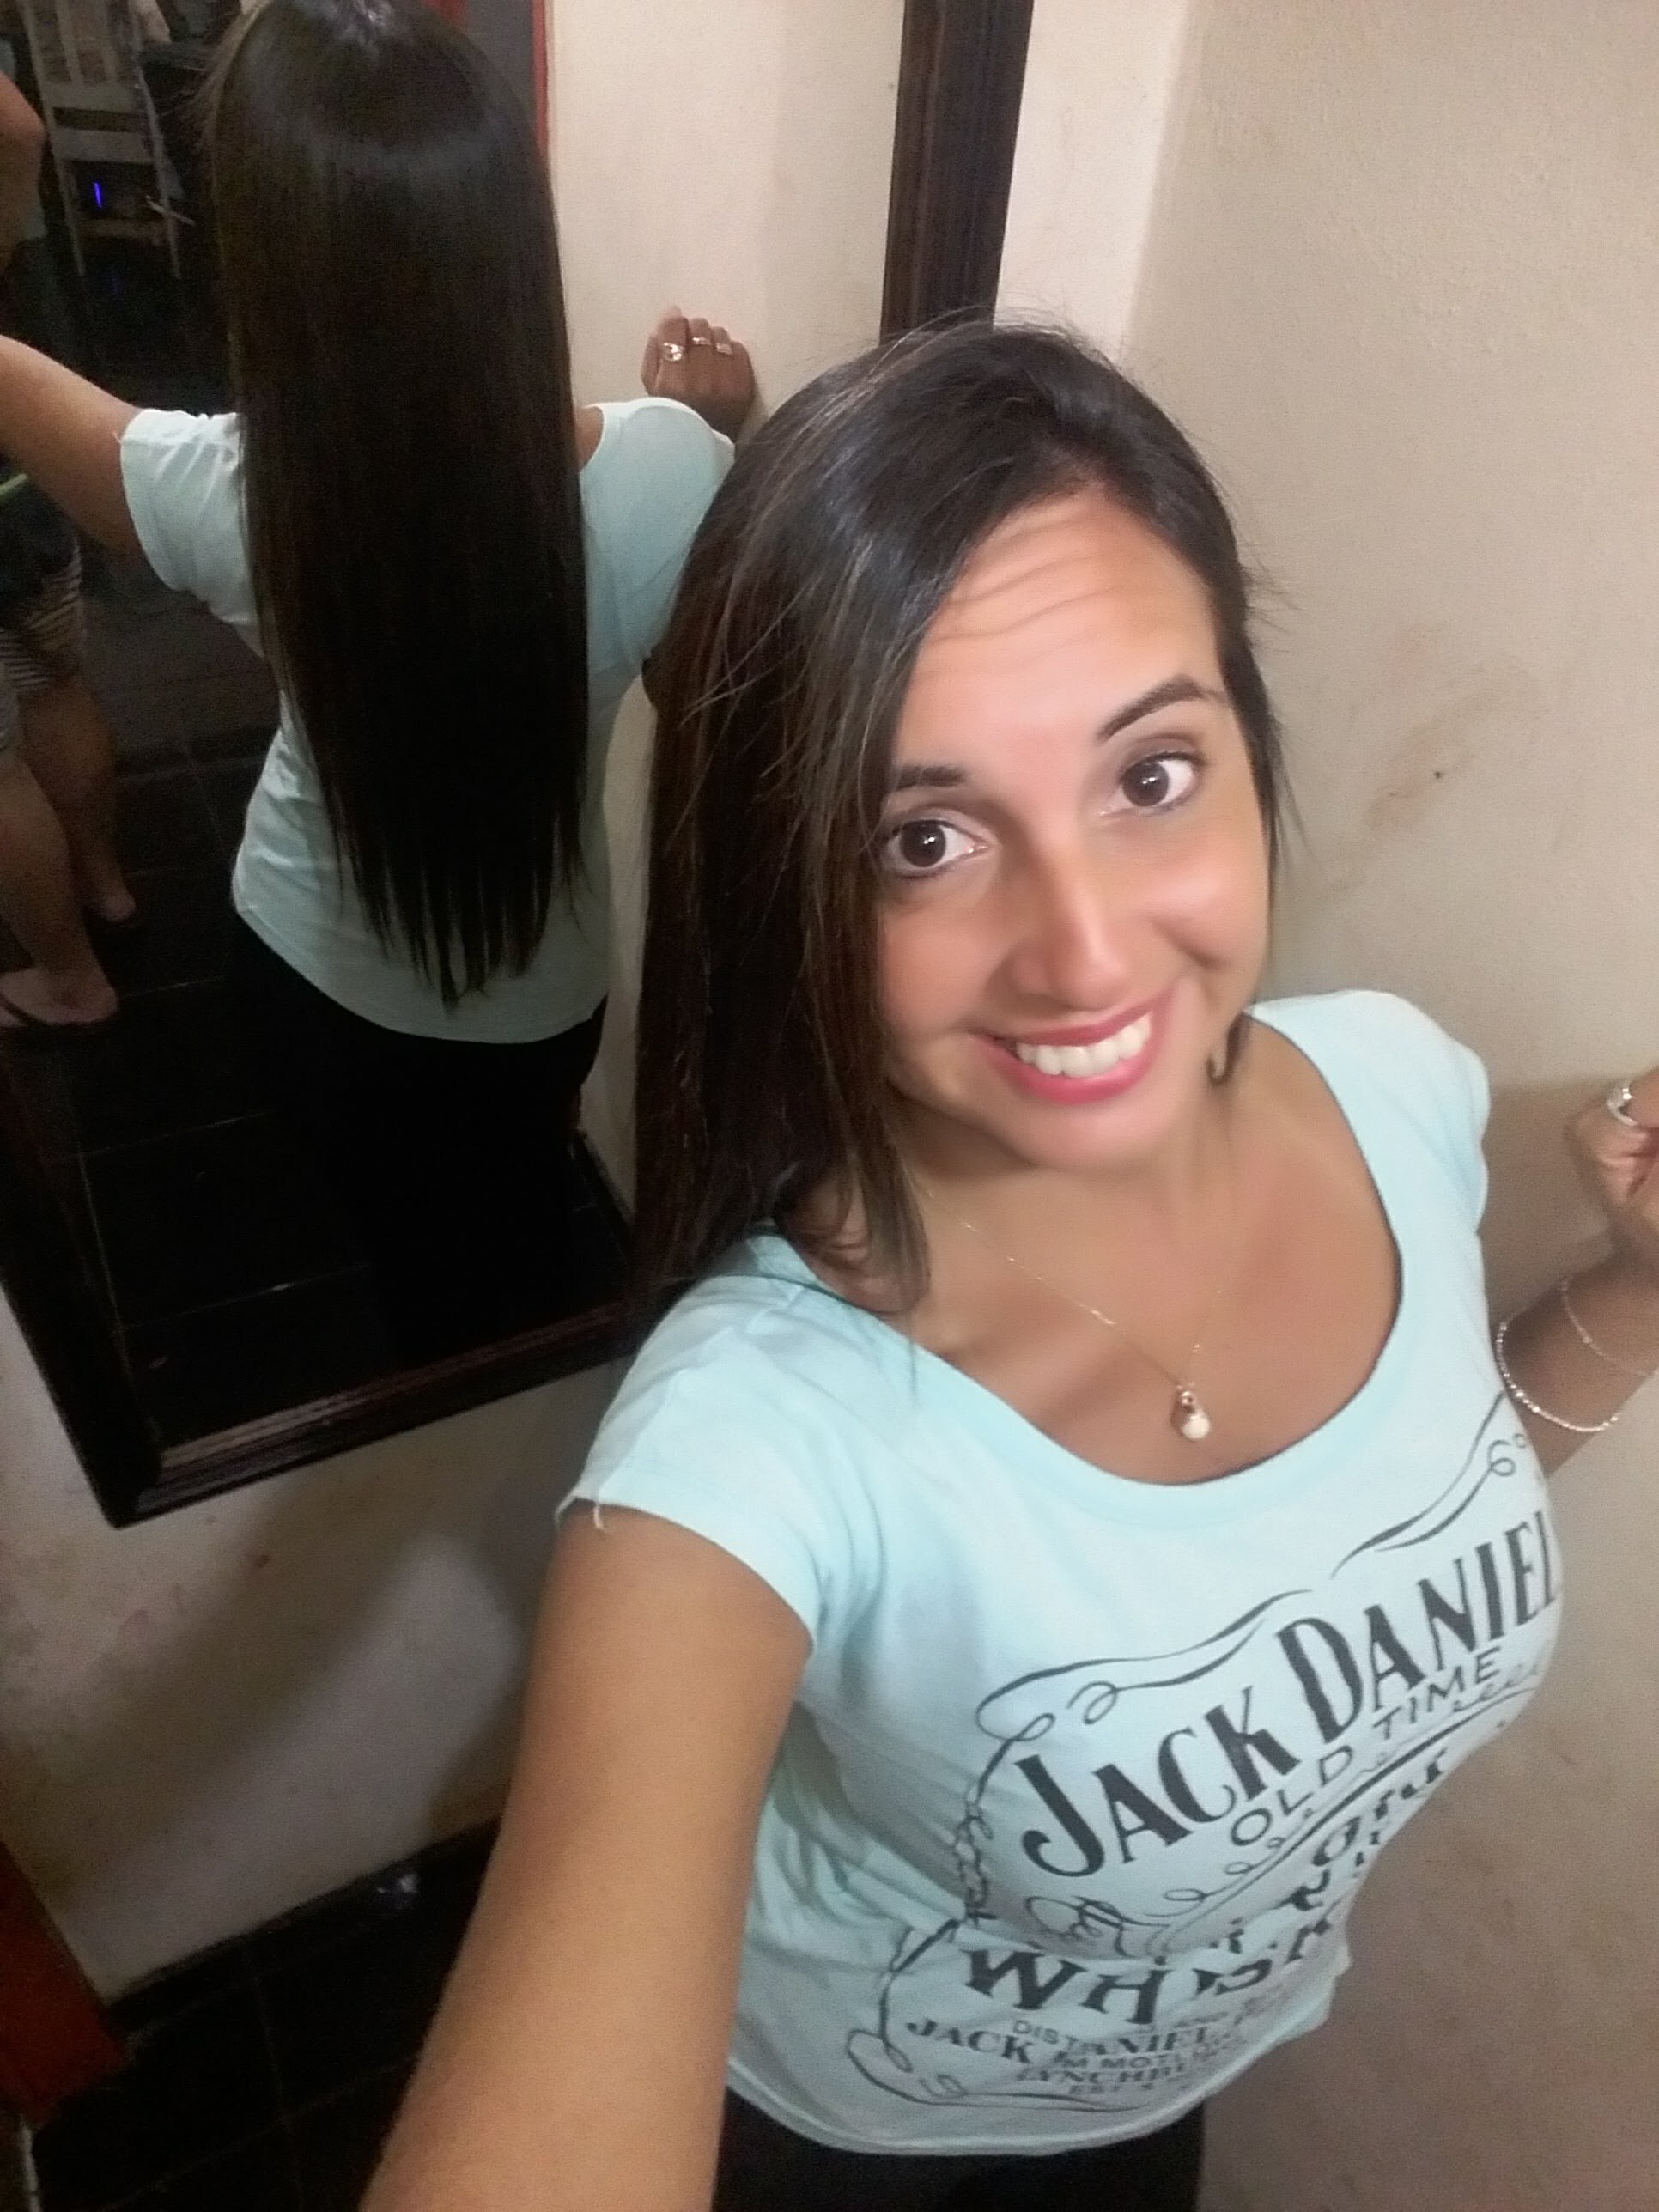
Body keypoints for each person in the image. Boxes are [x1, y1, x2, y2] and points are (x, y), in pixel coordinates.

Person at [362, 324, 1659, 2212]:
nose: (1082, 952)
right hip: (836, 2132)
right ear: (791, 885)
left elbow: (1384, 1519)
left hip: (1154, 2096)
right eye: (925, 837)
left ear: (1248, 747)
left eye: (1151, 774)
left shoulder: (1400, 1086)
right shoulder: (753, 1438)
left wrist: (1636, 1292)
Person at [0, 0, 751, 1349]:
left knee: (407, 1258)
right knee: (512, 1239)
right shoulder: (672, 475)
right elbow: (704, 715)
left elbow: (45, 407)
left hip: (303, 985)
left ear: (269, 263)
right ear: (509, 237)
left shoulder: (229, 495)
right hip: (541, 1001)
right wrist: (707, 436)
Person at [0, 70, 133, 1035]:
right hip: (19, 461)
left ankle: (71, 981)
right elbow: (18, 128)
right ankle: (106, 885)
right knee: (53, 679)